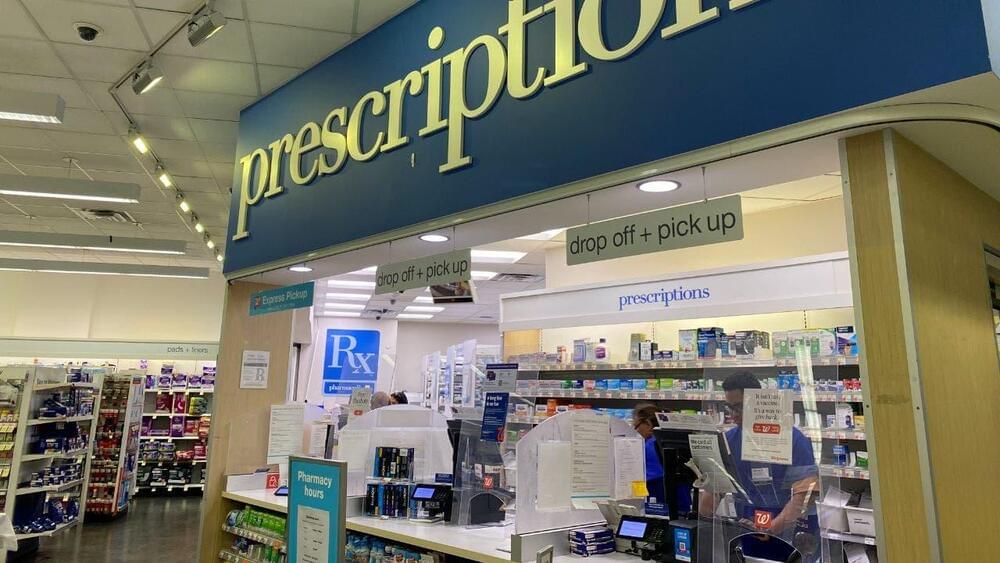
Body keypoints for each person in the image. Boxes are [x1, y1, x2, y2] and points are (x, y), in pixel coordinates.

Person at [700, 372, 819, 560]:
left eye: (739, 407)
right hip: (748, 528)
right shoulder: (730, 441)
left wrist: (772, 528)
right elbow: (713, 491)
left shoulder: (792, 439)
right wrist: (703, 522)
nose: (733, 415)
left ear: (756, 402)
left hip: (791, 529)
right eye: (729, 408)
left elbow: (806, 494)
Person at [632, 404, 666, 502]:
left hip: (655, 500)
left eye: (636, 426)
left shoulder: (649, 446)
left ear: (648, 425)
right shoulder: (662, 441)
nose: (635, 430)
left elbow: (642, 481)